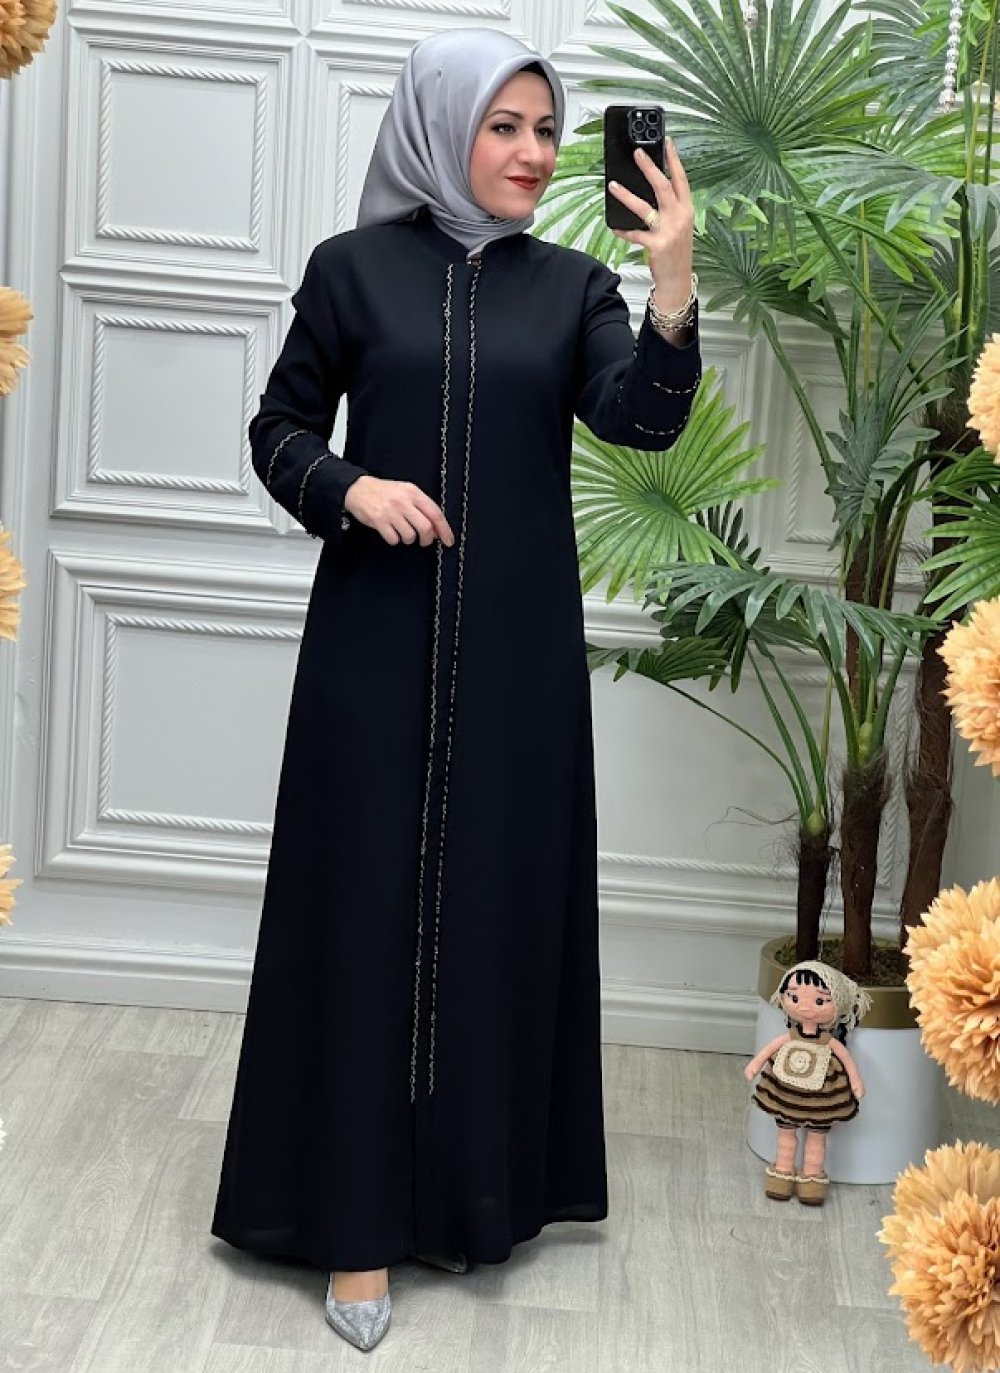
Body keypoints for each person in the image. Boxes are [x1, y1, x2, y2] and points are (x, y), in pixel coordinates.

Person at [210, 26, 702, 1353]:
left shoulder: (574, 287)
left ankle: (477, 1194)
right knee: (363, 912)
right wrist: (350, 487)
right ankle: (355, 1226)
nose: (533, 153)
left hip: (517, 662)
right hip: (371, 648)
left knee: (490, 907)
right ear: (441, 127)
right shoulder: (352, 271)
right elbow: (276, 428)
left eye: (547, 130)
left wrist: (669, 283)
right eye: (504, 126)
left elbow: (642, 417)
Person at [744, 961, 871, 1207]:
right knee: (786, 1134)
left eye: (820, 1001)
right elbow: (769, 1049)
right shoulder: (791, 1036)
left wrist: (856, 1082)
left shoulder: (829, 1042)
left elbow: (846, 1058)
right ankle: (782, 1172)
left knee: (816, 1139)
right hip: (785, 1092)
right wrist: (755, 1064)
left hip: (823, 1096)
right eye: (794, 997)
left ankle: (812, 1178)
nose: (805, 1007)